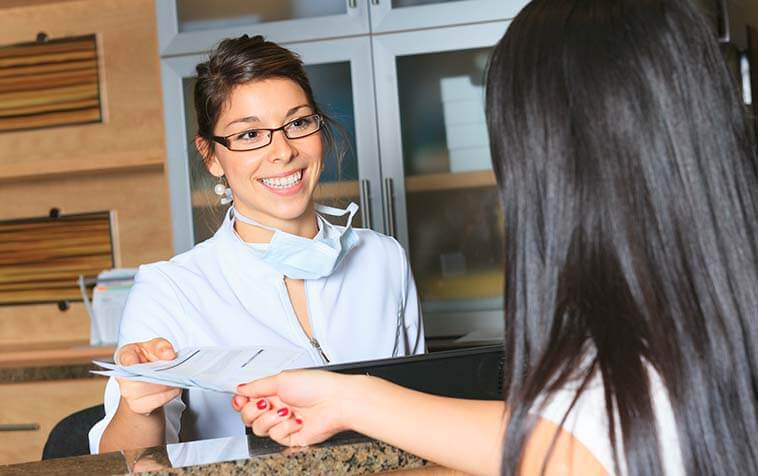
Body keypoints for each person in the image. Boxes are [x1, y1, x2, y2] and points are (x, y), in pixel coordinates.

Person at [234, 0, 758, 474]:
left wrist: (353, 401)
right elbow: (561, 436)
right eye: (249, 134)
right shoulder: (692, 343)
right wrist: (350, 399)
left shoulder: (382, 257)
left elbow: (575, 439)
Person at [89, 35, 425, 454]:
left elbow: (417, 420)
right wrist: (141, 410)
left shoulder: (382, 259)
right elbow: (116, 462)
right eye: (249, 135)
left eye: (298, 123)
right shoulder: (172, 289)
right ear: (211, 155)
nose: (283, 152)